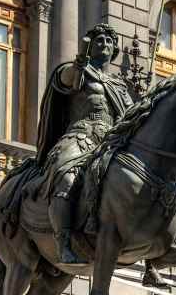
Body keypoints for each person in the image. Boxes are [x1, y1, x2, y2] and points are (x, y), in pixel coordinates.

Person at [35, 24, 133, 265]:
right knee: (66, 178)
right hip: (81, 136)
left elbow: (131, 114)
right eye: (99, 41)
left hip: (110, 143)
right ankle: (64, 243)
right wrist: (80, 60)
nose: (105, 45)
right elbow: (68, 80)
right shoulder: (76, 71)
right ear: (90, 45)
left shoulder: (118, 85)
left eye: (109, 42)